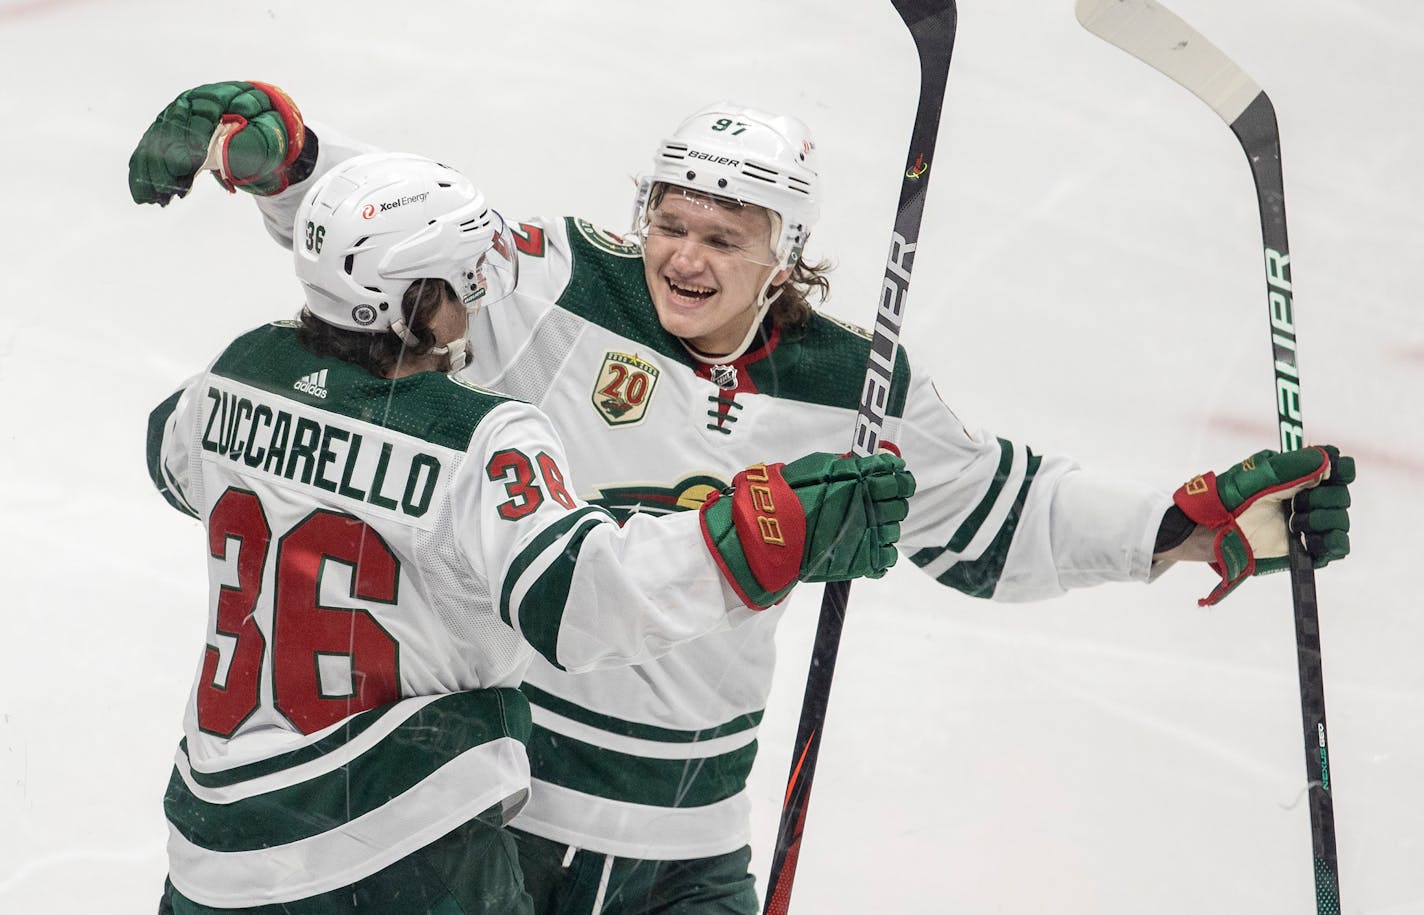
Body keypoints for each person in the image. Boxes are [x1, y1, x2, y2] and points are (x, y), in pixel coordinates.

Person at [130, 82, 1355, 915]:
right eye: (669, 223)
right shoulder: (555, 287)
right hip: (509, 814)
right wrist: (289, 164)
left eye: (725, 234)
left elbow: (996, 512)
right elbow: (404, 234)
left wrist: (1185, 527)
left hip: (686, 848)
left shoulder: (850, 385)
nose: (685, 256)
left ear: (787, 245)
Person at [138, 142, 914, 913]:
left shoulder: (233, 376)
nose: (482, 294)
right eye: (466, 276)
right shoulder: (477, 435)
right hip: (396, 846)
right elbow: (582, 601)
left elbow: (169, 459)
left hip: (213, 846)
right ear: (415, 297)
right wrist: (766, 534)